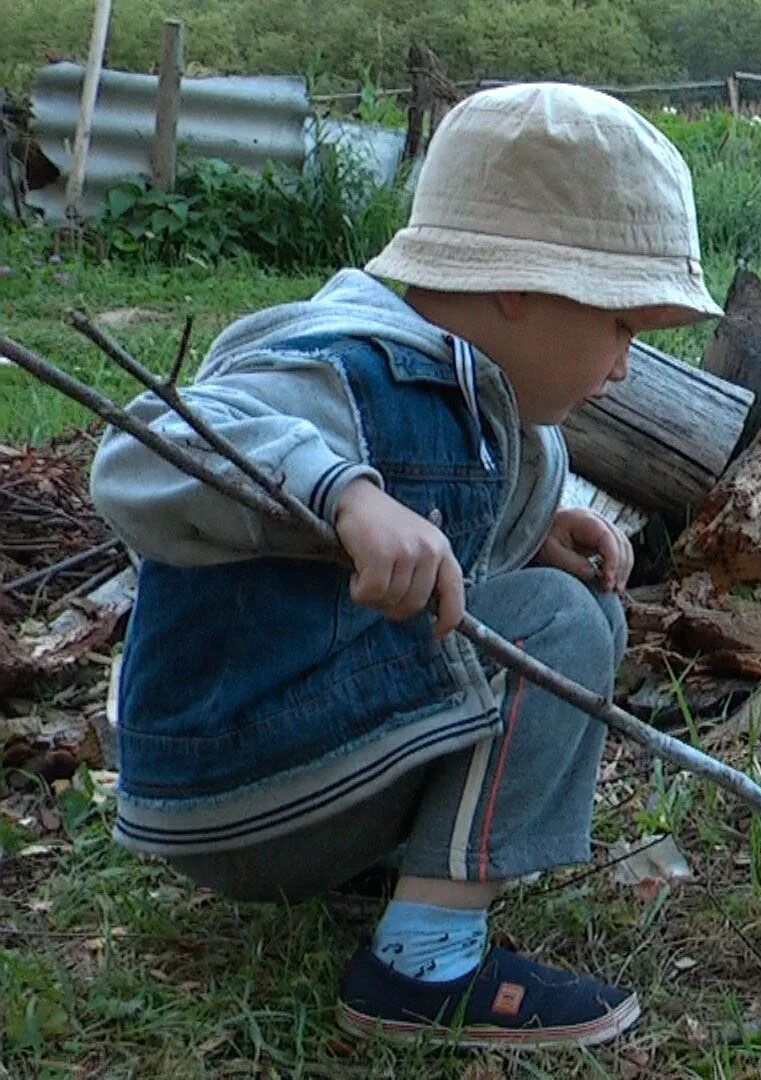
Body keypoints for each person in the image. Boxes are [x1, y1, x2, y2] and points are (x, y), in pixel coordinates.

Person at [88, 82, 723, 1050]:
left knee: (555, 595)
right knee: (564, 623)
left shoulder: (481, 400)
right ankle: (424, 963)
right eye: (623, 324)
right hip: (239, 775)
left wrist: (525, 531)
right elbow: (136, 454)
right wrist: (342, 491)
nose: (627, 367)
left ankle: (397, 882)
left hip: (250, 778)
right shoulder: (344, 363)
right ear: (519, 283)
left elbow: (429, 561)